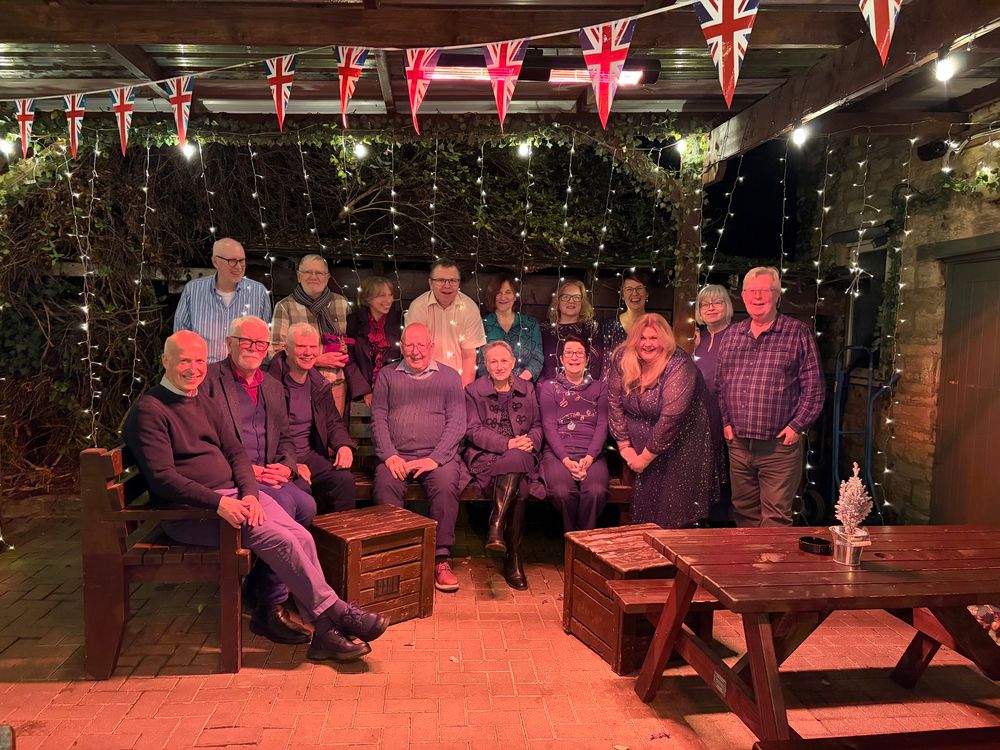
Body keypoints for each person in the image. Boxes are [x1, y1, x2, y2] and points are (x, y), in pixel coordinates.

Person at [124, 331, 386, 662]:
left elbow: (235, 452)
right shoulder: (151, 411)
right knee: (282, 540)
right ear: (165, 361)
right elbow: (163, 479)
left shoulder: (200, 400)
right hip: (193, 511)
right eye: (184, 361)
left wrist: (249, 493)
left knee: (301, 536)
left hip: (233, 497)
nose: (194, 369)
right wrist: (220, 503)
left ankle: (324, 632)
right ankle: (338, 613)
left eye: (199, 361)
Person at [201, 316, 318, 645]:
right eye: (246, 341)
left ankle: (260, 586)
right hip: (232, 478)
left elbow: (286, 439)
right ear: (230, 343)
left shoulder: (272, 385)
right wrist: (247, 470)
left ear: (268, 348)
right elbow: (203, 442)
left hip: (270, 474)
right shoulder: (209, 380)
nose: (253, 348)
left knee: (307, 503)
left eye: (261, 343)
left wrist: (287, 467)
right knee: (286, 506)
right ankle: (270, 606)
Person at [716, 267, 825, 527]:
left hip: (778, 446)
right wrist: (726, 423)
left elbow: (814, 388)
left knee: (775, 517)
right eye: (752, 291)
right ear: (743, 296)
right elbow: (721, 385)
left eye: (764, 290)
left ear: (777, 295)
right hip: (739, 445)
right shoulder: (732, 335)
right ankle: (749, 556)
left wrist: (797, 427)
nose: (757, 297)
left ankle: (772, 556)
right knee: (744, 512)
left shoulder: (797, 333)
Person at [370, 323, 467, 592]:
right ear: (401, 346)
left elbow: (457, 423)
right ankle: (396, 558)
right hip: (397, 455)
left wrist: (435, 458)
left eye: (421, 345)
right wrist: (389, 455)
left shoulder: (449, 377)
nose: (416, 351)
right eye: (410, 345)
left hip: (436, 457)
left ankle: (441, 559)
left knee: (446, 485)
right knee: (385, 485)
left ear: (431, 347)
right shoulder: (387, 376)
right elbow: (378, 418)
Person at [607, 313, 718, 528]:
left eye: (654, 338)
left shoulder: (679, 363)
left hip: (679, 444)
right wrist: (624, 445)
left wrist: (645, 457)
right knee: (639, 509)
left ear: (665, 340)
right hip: (635, 446)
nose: (647, 344)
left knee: (671, 512)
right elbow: (614, 402)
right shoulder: (622, 358)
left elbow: (672, 417)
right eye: (642, 338)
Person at [464, 341, 544, 590]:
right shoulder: (473, 391)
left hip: (521, 453)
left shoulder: (527, 388)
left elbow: (537, 426)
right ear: (485, 365)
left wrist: (530, 441)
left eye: (504, 361)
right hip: (487, 456)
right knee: (521, 485)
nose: (499, 366)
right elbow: (472, 430)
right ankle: (513, 557)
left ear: (513, 363)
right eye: (493, 361)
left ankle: (496, 526)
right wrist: (508, 443)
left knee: (517, 461)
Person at [267, 322, 358, 515]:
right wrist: (291, 465)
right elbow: (263, 433)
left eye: (312, 346)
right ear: (287, 349)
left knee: (344, 481)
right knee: (301, 490)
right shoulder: (269, 382)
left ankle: (339, 533)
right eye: (301, 346)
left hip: (309, 455)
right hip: (278, 459)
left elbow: (333, 421)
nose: (308, 352)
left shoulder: (319, 383)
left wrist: (343, 445)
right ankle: (304, 535)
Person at [270, 254, 366, 416]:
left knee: (333, 430)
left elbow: (351, 345)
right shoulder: (285, 306)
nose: (314, 277)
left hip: (336, 385)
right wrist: (316, 360)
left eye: (319, 273)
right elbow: (275, 351)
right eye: (308, 272)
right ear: (299, 276)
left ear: (327, 277)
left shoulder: (341, 303)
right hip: (299, 386)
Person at [537, 336, 609, 532]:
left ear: (587, 359)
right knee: (561, 492)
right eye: (569, 352)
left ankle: (583, 537)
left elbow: (602, 424)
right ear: (561, 358)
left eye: (579, 353)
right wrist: (566, 460)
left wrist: (589, 457)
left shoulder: (600, 388)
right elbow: (549, 425)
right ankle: (572, 535)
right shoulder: (549, 387)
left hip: (591, 453)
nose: (574, 357)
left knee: (596, 491)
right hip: (558, 454)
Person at [174, 238, 271, 363]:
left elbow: (266, 340)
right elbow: (180, 339)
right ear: (215, 261)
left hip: (243, 372)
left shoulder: (258, 292)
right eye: (232, 261)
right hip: (203, 371)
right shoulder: (193, 291)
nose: (239, 267)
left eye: (242, 260)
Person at [404, 259, 486, 386]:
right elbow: (413, 353)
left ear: (459, 283)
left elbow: (469, 356)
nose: (447, 285)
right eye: (441, 280)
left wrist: (462, 391)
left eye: (453, 280)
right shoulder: (418, 307)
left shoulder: (469, 308)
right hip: (423, 380)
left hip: (456, 381)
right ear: (430, 283)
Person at [693, 284, 735, 525]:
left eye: (717, 302)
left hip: (725, 414)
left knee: (724, 471)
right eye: (705, 304)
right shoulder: (696, 337)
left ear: (726, 306)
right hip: (698, 415)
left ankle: (721, 523)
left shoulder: (735, 335)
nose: (711, 308)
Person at [345, 275, 402, 408]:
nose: (388, 300)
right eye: (382, 295)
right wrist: (364, 391)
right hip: (361, 391)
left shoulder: (399, 321)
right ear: (367, 299)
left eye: (390, 295)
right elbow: (349, 359)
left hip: (394, 390)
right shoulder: (353, 322)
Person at [478, 273, 543, 382]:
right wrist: (498, 384)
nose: (503, 297)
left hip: (523, 384)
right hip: (491, 384)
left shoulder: (531, 324)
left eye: (508, 292)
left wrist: (518, 383)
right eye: (498, 293)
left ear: (515, 296)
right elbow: (480, 362)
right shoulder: (482, 324)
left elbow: (537, 359)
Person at [540, 279, 602, 382]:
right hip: (549, 386)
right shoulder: (545, 328)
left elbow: (595, 365)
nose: (571, 301)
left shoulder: (591, 327)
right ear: (557, 301)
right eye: (565, 297)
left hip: (583, 387)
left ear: (582, 301)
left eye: (576, 297)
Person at [601, 271, 649, 378]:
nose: (634, 293)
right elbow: (605, 364)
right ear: (622, 295)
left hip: (648, 384)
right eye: (629, 289)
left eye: (639, 288)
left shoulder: (656, 325)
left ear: (647, 294)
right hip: (615, 384)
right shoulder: (610, 326)